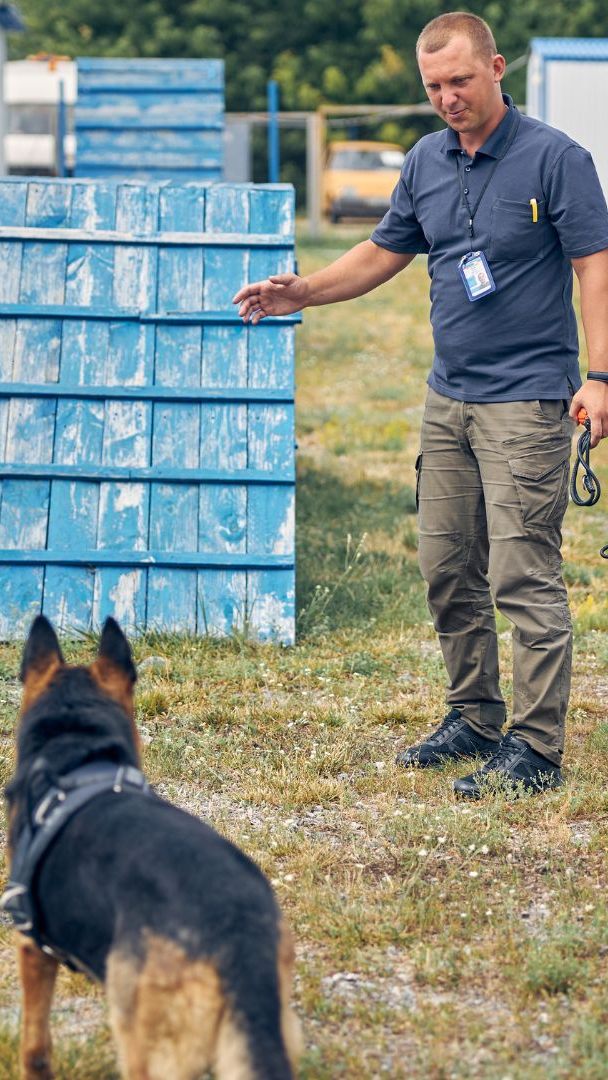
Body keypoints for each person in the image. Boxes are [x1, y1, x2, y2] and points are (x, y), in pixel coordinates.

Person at [233, 12, 608, 797]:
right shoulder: (426, 162)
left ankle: (535, 749)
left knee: (522, 573)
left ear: (496, 68)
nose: (448, 98)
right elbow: (382, 252)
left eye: (460, 81)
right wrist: (302, 291)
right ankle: (473, 715)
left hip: (528, 402)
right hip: (449, 400)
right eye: (434, 86)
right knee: (447, 568)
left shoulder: (557, 160)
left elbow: (593, 269)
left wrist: (599, 377)